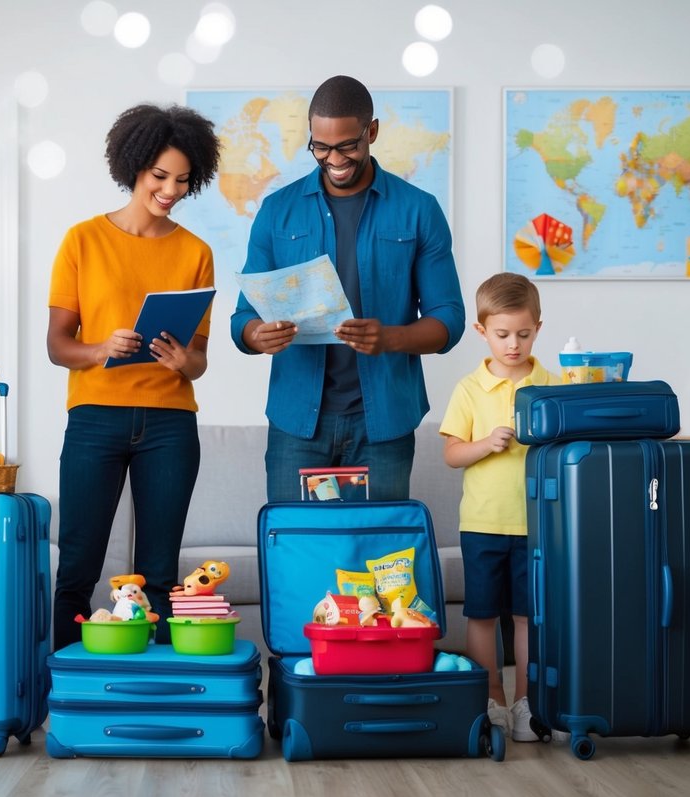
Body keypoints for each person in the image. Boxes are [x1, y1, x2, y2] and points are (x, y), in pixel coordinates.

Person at [230, 75, 465, 501]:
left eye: (347, 146)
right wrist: (255, 334)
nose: (332, 159)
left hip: (384, 426)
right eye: (320, 147)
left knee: (377, 559)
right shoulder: (276, 211)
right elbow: (243, 317)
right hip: (297, 424)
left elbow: (450, 319)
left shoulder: (419, 210)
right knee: (296, 556)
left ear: (371, 132)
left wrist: (391, 337)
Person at [47, 103, 220, 650]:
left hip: (170, 424)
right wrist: (101, 348)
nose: (170, 190)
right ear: (134, 167)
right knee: (78, 563)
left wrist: (179, 361)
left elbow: (199, 361)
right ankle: (65, 690)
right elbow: (58, 346)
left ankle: (160, 691)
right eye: (160, 176)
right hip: (95, 418)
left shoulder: (196, 251)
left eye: (183, 181)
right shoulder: (82, 240)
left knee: (161, 571)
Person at [439, 272, 559, 742]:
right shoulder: (470, 389)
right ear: (481, 332)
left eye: (524, 335)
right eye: (503, 334)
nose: (513, 344)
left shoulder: (554, 385)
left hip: (540, 526)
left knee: (530, 617)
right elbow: (451, 454)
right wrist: (486, 444)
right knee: (483, 615)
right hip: (483, 523)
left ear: (538, 329)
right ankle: (491, 699)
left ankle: (529, 703)